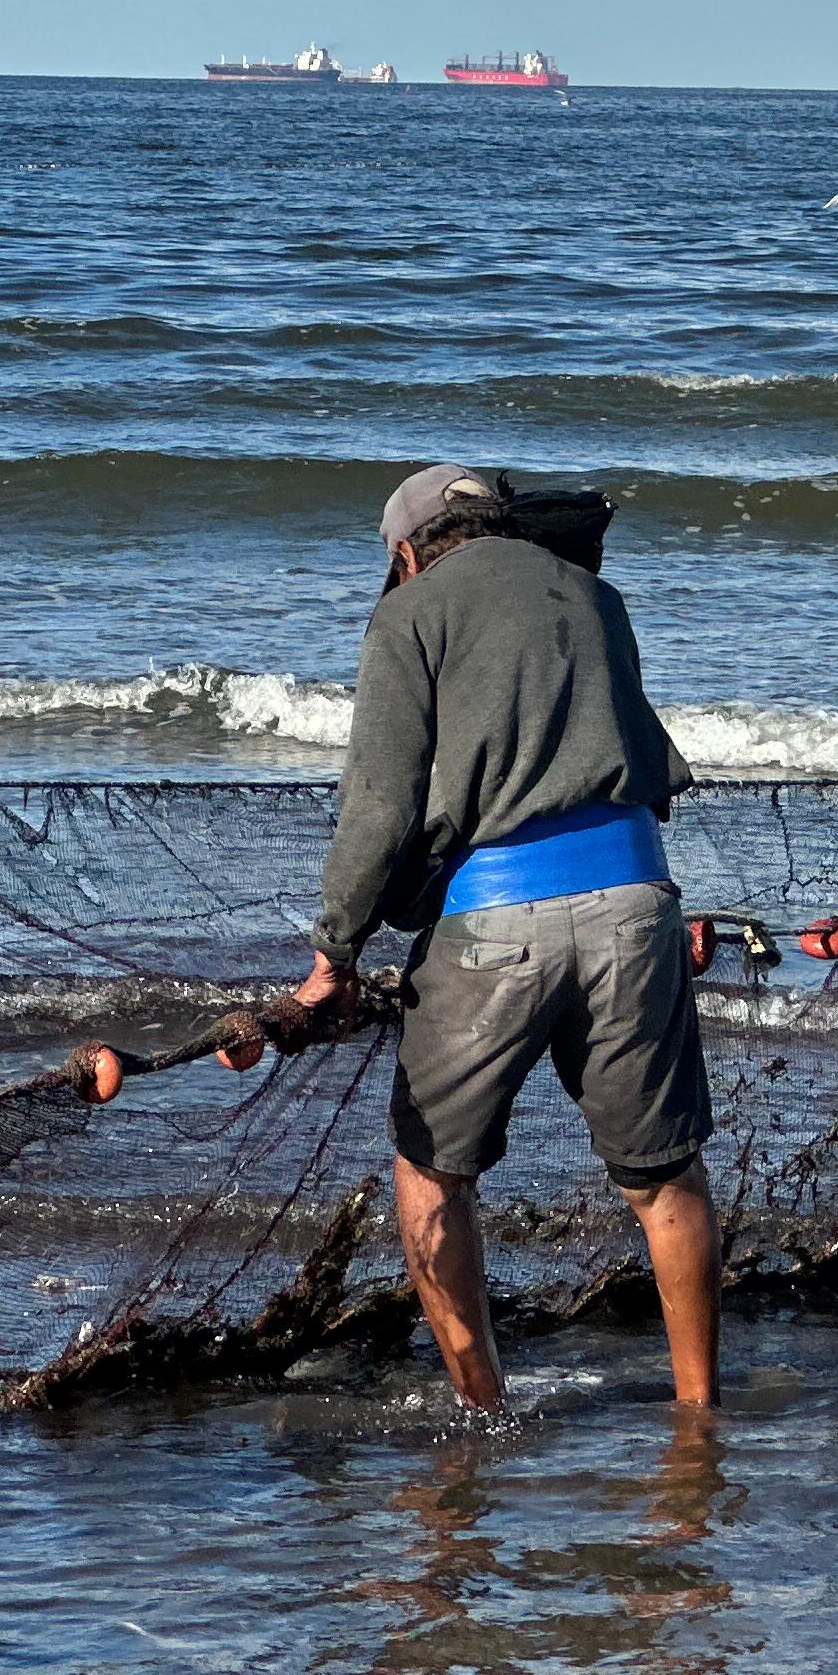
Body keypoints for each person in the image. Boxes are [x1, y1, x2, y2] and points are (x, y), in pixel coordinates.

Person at [295, 464, 720, 1409]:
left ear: (407, 553)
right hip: (637, 905)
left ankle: (484, 1414)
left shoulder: (411, 614)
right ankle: (700, 1413)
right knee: (662, 1178)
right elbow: (646, 766)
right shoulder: (596, 596)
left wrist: (336, 951)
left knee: (431, 1174)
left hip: (495, 924)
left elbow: (379, 804)